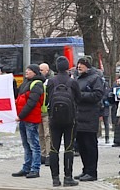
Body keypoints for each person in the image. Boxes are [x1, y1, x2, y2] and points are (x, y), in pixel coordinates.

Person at [47, 56, 81, 187]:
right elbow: (79, 98)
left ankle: (55, 179)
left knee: (54, 148)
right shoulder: (72, 82)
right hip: (70, 120)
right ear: (67, 67)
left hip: (54, 119)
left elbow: (47, 100)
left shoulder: (51, 81)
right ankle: (68, 178)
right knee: (68, 148)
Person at [73, 56, 104, 182]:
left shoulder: (95, 78)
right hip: (78, 116)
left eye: (82, 64)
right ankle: (85, 170)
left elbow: (98, 95)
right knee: (81, 146)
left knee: (90, 145)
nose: (79, 66)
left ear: (87, 66)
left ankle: (92, 172)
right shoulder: (76, 78)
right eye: (78, 64)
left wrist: (80, 95)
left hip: (90, 116)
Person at [12, 64, 46, 178]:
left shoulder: (37, 84)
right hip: (24, 118)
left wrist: (20, 115)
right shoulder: (26, 83)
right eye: (26, 70)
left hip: (30, 119)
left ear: (35, 72)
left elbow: (31, 103)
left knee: (34, 145)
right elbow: (17, 96)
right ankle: (27, 167)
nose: (26, 72)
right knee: (26, 144)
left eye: (29, 70)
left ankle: (35, 169)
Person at [38, 62, 52, 166]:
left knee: (48, 134)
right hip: (39, 111)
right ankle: (42, 154)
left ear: (47, 71)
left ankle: (49, 154)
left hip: (47, 111)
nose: (40, 72)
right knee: (40, 134)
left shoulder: (50, 81)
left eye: (42, 70)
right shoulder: (37, 81)